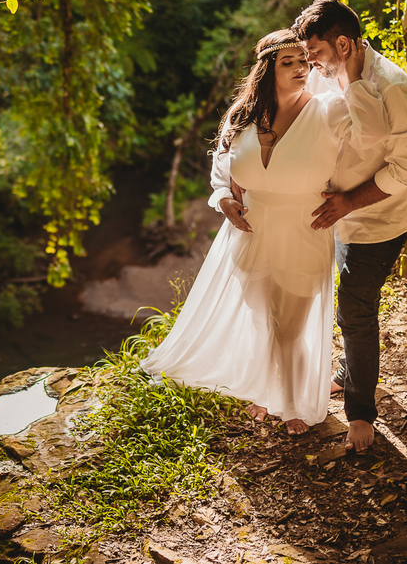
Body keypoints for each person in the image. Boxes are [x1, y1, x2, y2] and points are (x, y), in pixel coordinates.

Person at [140, 28, 387, 435]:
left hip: (304, 229)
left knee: (289, 327)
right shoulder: (243, 116)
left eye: (304, 61)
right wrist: (223, 199)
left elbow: (375, 134)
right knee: (264, 322)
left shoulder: (329, 109)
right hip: (250, 233)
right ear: (267, 69)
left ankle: (292, 404)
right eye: (287, 62)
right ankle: (267, 390)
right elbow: (223, 169)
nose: (299, 68)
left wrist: (355, 77)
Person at [295, 0, 407, 453]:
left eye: (315, 53)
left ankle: (360, 414)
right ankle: (350, 371)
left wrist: (349, 200)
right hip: (337, 210)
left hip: (379, 217)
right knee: (349, 301)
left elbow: (406, 171)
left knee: (353, 309)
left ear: (344, 43)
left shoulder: (394, 88)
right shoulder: (327, 70)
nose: (309, 63)